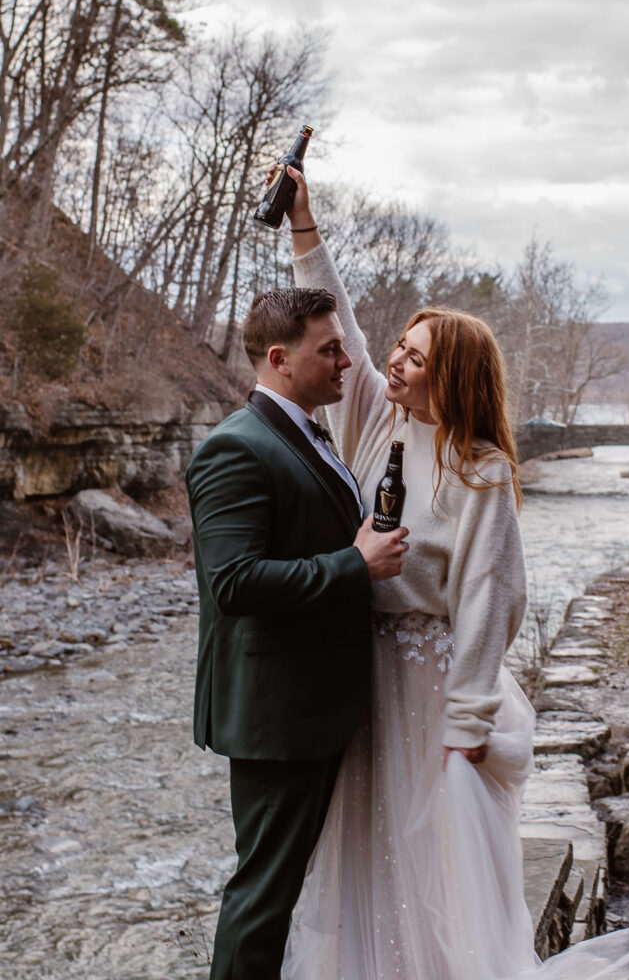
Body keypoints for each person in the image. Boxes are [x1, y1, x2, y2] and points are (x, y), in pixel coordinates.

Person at [275, 164, 629, 980]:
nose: (395, 365)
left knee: (431, 857)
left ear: (453, 377)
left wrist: (467, 724)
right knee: (363, 848)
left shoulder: (481, 473)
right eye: (399, 351)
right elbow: (341, 321)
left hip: (430, 686)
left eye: (415, 358)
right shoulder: (374, 420)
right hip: (360, 676)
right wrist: (305, 224)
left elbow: (490, 601)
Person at [184, 284, 409, 980]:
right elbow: (236, 583)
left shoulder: (309, 430)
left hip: (315, 706)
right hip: (274, 713)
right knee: (263, 896)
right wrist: (354, 564)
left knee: (283, 892)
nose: (348, 360)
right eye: (331, 349)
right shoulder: (235, 448)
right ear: (280, 359)